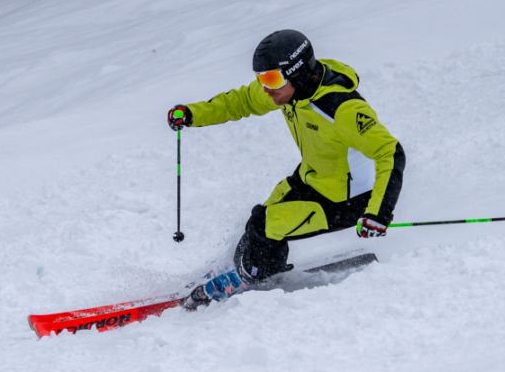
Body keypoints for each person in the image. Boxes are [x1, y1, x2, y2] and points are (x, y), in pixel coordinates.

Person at [167, 29, 405, 306]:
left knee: (266, 226)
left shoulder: (342, 108)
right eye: (261, 78)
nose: (265, 88)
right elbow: (241, 101)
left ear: (298, 72)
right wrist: (193, 114)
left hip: (348, 201)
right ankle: (244, 267)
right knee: (257, 223)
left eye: (271, 79)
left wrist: (378, 212)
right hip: (313, 180)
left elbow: (391, 152)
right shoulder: (288, 92)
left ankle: (250, 276)